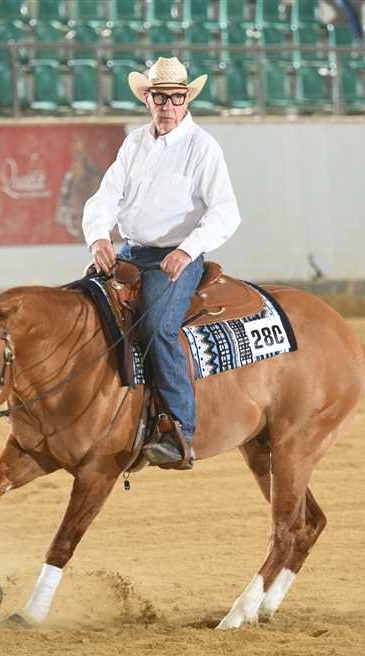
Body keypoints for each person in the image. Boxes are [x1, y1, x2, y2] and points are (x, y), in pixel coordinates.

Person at [81, 57, 241, 469]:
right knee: (85, 307)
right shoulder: (134, 143)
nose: (167, 106)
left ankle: (179, 430)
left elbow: (226, 212)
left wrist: (187, 250)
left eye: (175, 97)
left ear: (187, 99)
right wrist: (98, 236)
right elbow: (105, 197)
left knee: (157, 326)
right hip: (130, 253)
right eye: (159, 97)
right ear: (147, 99)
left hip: (176, 257)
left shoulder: (203, 147)